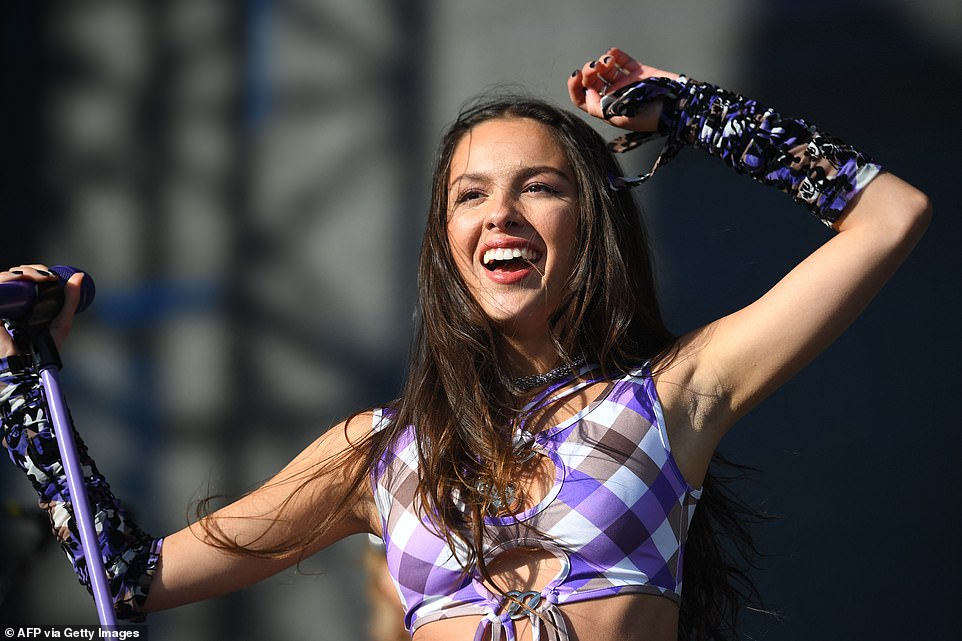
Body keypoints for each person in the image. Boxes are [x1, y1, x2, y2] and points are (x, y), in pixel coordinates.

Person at [1, 47, 930, 641]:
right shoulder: (379, 450)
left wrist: (692, 114)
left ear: (590, 222)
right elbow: (129, 577)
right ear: (446, 240)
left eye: (539, 187)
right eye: (471, 193)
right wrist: (20, 385)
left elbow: (888, 217)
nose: (502, 213)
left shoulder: (671, 396)